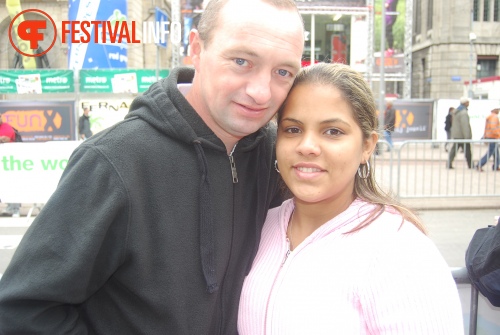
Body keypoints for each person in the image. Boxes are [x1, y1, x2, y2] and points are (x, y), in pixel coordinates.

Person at [0, 0, 304, 333]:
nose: (261, 92)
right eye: (242, 61)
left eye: (283, 72)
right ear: (196, 49)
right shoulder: (114, 162)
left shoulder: (281, 158)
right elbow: (23, 312)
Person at [238, 63, 464, 334]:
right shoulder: (260, 225)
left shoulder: (400, 251)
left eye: (332, 131)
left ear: (367, 145)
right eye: (293, 129)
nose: (307, 146)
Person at [0, 111, 21, 218]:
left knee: (12, 183)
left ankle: (14, 208)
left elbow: (6, 138)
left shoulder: (6, 127)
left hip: (9, 161)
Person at [447, 97, 473, 169]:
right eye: (468, 102)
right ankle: (471, 165)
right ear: (465, 103)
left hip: (457, 134)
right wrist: (467, 136)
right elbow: (465, 125)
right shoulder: (463, 113)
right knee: (468, 152)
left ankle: (448, 163)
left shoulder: (456, 112)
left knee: (453, 151)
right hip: (462, 136)